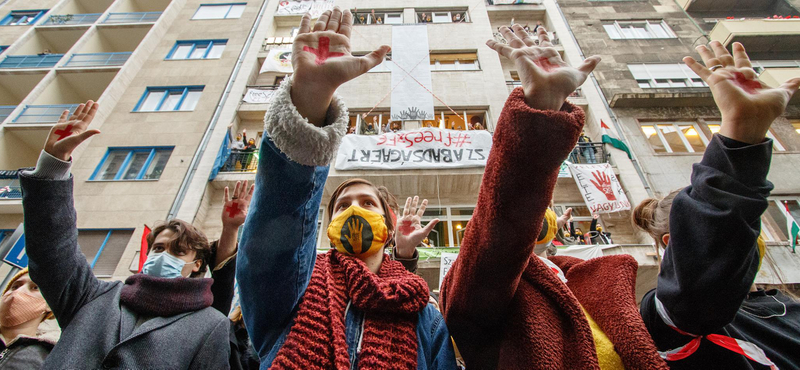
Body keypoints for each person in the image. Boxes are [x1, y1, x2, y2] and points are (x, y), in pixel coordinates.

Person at [236, 8, 457, 369]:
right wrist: (310, 98)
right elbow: (268, 249)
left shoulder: (424, 316)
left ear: (387, 226)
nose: (354, 210)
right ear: (327, 227)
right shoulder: (296, 287)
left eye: (367, 203)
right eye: (342, 206)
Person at [440, 25, 668, 369]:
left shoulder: (590, 278)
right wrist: (541, 109)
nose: (539, 212)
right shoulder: (479, 281)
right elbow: (502, 224)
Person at [18, 101, 230, 369]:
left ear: (196, 264)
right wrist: (53, 165)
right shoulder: (93, 296)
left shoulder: (210, 325)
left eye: (177, 252)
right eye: (159, 249)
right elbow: (52, 251)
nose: (164, 257)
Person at [632, 41, 800, 370]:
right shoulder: (672, 320)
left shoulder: (782, 304)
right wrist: (742, 136)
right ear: (673, 245)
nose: (743, 233)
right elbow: (700, 285)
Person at [0, 268, 58, 369]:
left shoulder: (47, 359)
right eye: (15, 287)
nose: (18, 292)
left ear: (49, 305)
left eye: (35, 287)